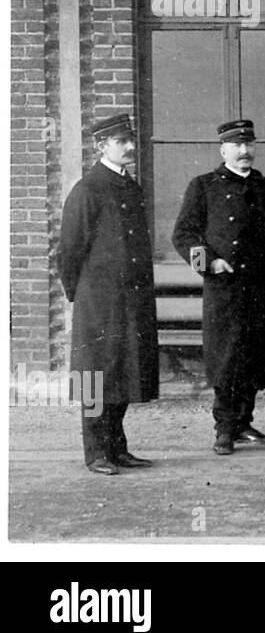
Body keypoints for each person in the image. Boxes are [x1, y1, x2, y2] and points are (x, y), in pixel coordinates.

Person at [172, 119, 265, 455]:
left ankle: (244, 422)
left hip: (261, 287)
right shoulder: (204, 186)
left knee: (254, 356)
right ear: (223, 149)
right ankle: (224, 429)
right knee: (227, 359)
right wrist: (209, 261)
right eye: (237, 145)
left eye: (249, 144)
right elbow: (183, 235)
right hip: (225, 288)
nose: (244, 151)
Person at [57, 113, 158, 475]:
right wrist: (80, 296)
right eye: (121, 141)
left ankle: (118, 448)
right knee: (96, 377)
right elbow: (69, 251)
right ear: (102, 146)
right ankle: (96, 452)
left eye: (131, 139)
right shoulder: (88, 189)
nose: (130, 146)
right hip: (98, 302)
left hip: (130, 301)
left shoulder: (130, 186)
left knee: (124, 373)